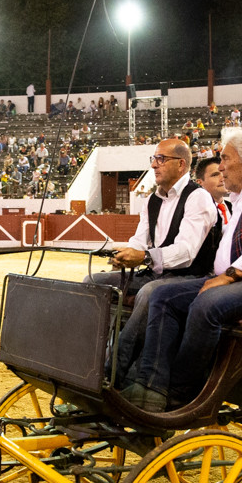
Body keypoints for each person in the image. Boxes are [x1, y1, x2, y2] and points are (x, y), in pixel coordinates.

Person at [122, 127, 242, 411]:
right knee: (162, 296)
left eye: (225, 158)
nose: (220, 166)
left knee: (207, 304)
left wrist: (230, 275)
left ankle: (182, 391)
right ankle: (151, 387)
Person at [87, 138, 218, 384]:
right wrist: (124, 254)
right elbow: (140, 239)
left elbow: (187, 252)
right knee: (93, 281)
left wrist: (145, 256)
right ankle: (91, 359)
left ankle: (113, 370)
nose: (154, 165)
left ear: (181, 165)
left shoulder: (197, 197)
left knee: (149, 292)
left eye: (161, 159)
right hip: (158, 273)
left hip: (191, 277)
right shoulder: (152, 200)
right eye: (154, 159)